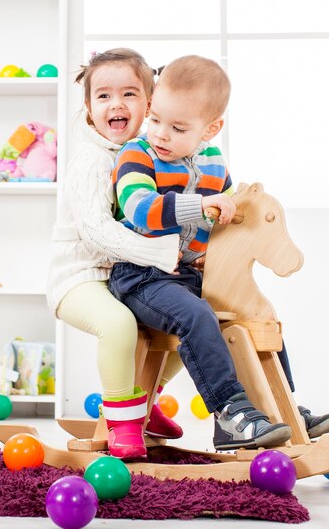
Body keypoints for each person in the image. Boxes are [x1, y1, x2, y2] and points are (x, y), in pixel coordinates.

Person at [109, 55, 294, 451]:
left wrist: (218, 244)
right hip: (142, 275)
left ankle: (283, 406)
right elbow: (139, 208)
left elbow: (228, 217)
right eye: (155, 118)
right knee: (198, 316)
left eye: (178, 128)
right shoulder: (137, 155)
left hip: (192, 275)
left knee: (255, 311)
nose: (160, 133)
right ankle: (229, 414)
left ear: (211, 128)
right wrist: (202, 207)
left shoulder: (213, 163)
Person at [46, 49, 187, 461]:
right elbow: (96, 233)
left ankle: (144, 399)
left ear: (150, 103)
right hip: (80, 277)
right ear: (89, 109)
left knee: (187, 321)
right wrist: (162, 251)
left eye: (129, 93)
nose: (117, 104)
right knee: (118, 325)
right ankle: (124, 425)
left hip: (126, 277)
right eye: (104, 96)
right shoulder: (91, 161)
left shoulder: (153, 157)